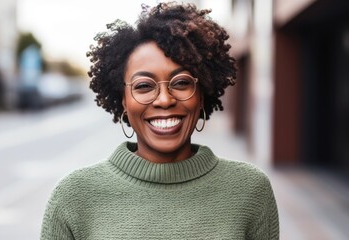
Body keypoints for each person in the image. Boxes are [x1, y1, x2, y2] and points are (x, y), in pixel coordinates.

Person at [40, 2, 279, 239]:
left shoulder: (250, 191)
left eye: (181, 82)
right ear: (123, 99)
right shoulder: (73, 197)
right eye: (144, 86)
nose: (164, 100)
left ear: (202, 94)